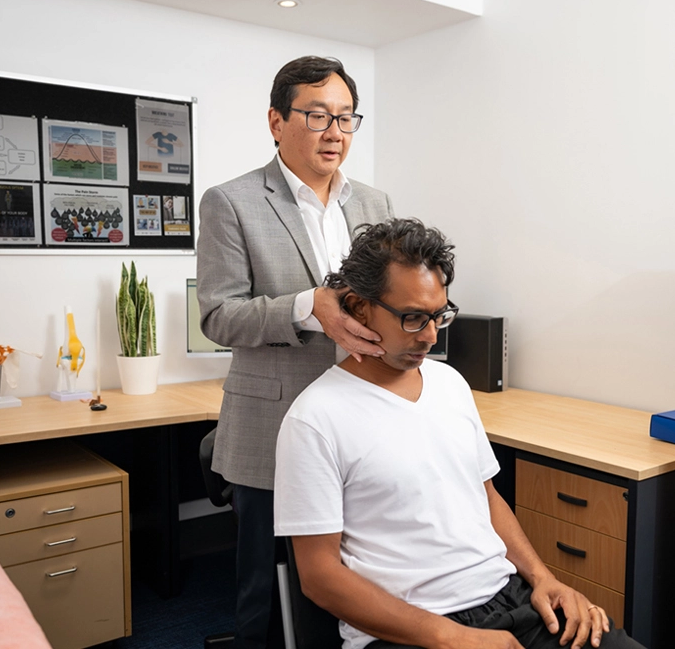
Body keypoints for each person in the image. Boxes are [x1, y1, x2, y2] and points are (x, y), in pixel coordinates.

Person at [274, 219, 646, 649]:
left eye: (439, 316)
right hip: (409, 628)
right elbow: (320, 579)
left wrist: (545, 579)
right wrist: (451, 638)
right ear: (359, 308)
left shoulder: (450, 384)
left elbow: (485, 497)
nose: (431, 335)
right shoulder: (314, 419)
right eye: (413, 318)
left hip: (508, 599)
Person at [197, 56, 394, 648]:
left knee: (350, 576)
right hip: (271, 425)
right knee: (266, 584)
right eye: (316, 115)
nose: (334, 132)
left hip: (360, 420)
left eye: (345, 118)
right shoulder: (230, 202)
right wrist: (311, 306)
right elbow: (218, 315)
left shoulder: (376, 205)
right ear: (277, 121)